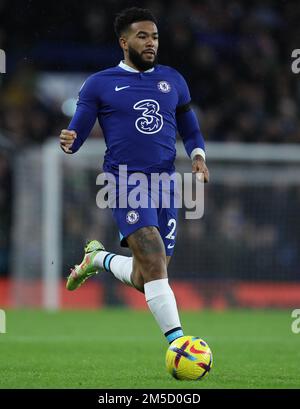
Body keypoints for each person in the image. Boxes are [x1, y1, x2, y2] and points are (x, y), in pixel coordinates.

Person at [59, 7, 209, 345]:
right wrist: (69, 141)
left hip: (166, 185)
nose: (151, 42)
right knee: (155, 262)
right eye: (143, 36)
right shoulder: (99, 84)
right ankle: (179, 345)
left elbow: (191, 128)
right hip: (124, 182)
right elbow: (77, 134)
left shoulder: (173, 80)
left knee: (147, 275)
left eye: (154, 36)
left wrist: (198, 156)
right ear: (124, 41)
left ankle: (97, 258)